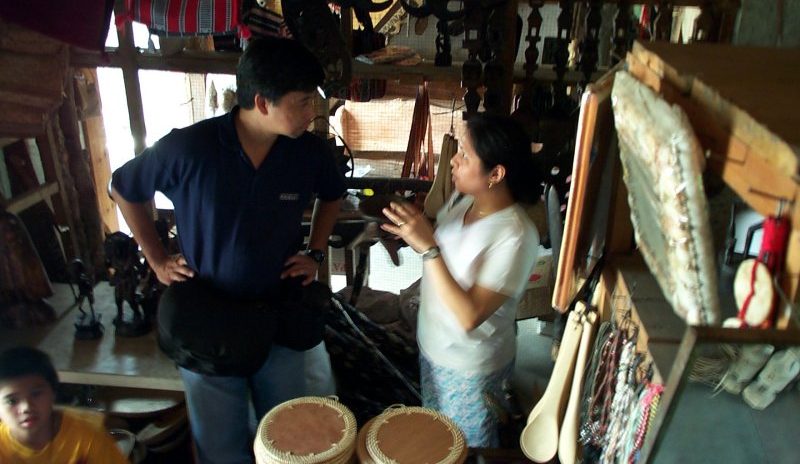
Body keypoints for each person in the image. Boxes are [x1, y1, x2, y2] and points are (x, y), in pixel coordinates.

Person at [110, 36, 345, 463]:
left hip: (278, 315)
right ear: (262, 102)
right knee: (221, 447)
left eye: (314, 101)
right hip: (208, 322)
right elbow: (124, 187)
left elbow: (333, 196)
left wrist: (314, 251)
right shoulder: (190, 148)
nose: (313, 113)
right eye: (302, 101)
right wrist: (157, 257)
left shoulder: (309, 153)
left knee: (289, 437)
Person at [381, 113, 541, 447]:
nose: (453, 159)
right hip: (434, 348)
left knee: (467, 449)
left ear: (495, 174)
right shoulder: (463, 200)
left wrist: (428, 248)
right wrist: (406, 235)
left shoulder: (515, 235)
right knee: (437, 439)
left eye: (465, 155)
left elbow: (470, 316)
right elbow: (443, 256)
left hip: (470, 369)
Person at [0, 346, 128, 464]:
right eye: (12, 401)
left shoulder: (87, 436)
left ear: (53, 393)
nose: (26, 407)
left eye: (36, 394)